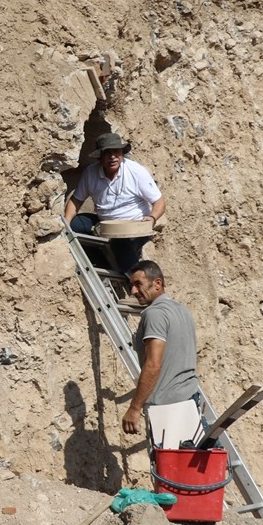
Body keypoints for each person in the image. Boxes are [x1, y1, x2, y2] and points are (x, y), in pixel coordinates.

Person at [64, 132, 166, 272]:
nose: (112, 157)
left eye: (116, 152)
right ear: (99, 157)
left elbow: (159, 201)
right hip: (106, 224)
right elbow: (76, 200)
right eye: (107, 153)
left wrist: (152, 218)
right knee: (76, 225)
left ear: (122, 153)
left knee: (119, 245)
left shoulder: (136, 172)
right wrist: (66, 224)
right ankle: (100, 261)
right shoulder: (91, 173)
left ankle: (133, 278)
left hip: (135, 226)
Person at [121, 260, 202, 437]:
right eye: (131, 285)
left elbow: (153, 364)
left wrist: (135, 408)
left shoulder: (155, 313)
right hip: (189, 399)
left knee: (169, 463)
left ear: (157, 283)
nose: (133, 291)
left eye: (138, 284)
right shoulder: (182, 311)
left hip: (167, 408)